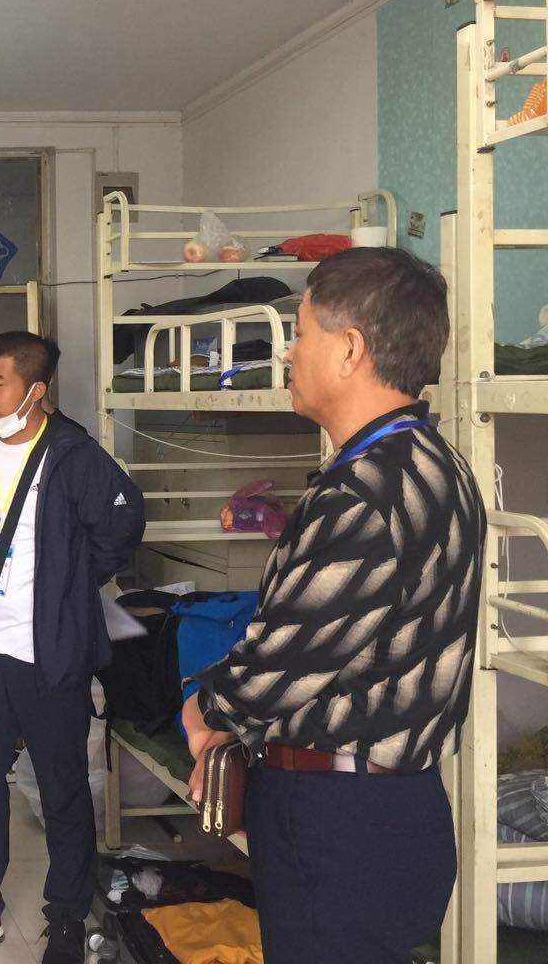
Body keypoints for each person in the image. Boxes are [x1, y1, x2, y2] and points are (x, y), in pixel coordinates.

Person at [183, 247, 485, 962]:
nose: (288, 352)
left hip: (340, 822)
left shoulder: (365, 493)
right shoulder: (436, 464)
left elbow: (280, 664)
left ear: (350, 350)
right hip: (391, 807)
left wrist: (205, 712)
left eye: (299, 332)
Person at [0, 331, 145, 964]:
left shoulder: (73, 457)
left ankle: (66, 917)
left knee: (62, 792)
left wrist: (69, 588)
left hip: (51, 655)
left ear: (36, 390)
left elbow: (122, 529)